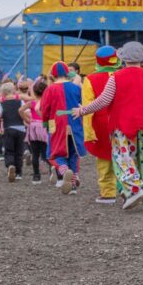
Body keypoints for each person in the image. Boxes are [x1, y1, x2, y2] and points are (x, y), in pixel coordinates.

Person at [73, 41, 143, 212]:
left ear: (123, 59)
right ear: (141, 58)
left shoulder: (116, 78)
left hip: (123, 126)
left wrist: (83, 110)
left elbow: (103, 101)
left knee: (123, 159)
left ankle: (133, 189)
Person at [81, 46, 121, 204]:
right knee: (126, 156)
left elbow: (87, 107)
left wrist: (89, 132)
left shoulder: (90, 79)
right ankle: (128, 189)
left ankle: (108, 193)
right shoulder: (123, 75)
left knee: (105, 159)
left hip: (101, 124)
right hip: (123, 122)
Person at [39, 62, 85, 195]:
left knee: (54, 153)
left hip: (56, 124)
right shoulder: (75, 88)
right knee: (73, 153)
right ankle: (73, 183)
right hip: (74, 124)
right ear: (67, 73)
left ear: (53, 75)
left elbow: (45, 109)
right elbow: (82, 104)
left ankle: (64, 171)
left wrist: (46, 124)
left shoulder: (50, 89)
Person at [22, 78, 50, 185]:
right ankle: (54, 171)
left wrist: (26, 120)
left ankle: (36, 176)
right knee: (46, 153)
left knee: (35, 154)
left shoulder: (31, 103)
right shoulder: (47, 102)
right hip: (44, 127)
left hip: (33, 127)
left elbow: (20, 110)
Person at [0, 81, 25, 182]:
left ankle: (10, 165)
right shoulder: (20, 101)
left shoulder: (2, 104)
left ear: (3, 93)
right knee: (19, 151)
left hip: (8, 128)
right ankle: (19, 173)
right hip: (20, 129)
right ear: (13, 91)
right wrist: (25, 121)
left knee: (9, 150)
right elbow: (24, 112)